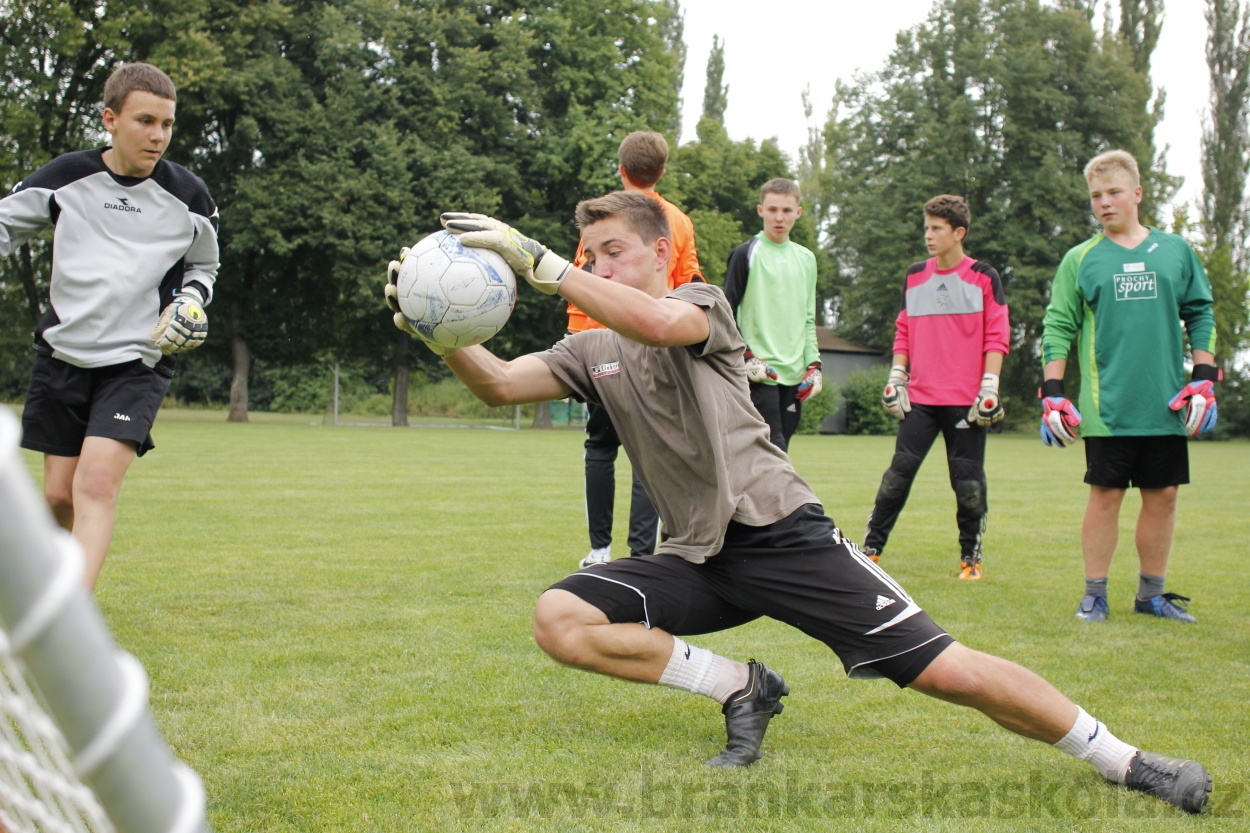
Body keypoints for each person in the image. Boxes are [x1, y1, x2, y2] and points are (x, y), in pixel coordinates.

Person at [381, 192, 1212, 814]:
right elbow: (495, 382)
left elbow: (656, 323)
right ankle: (744, 685)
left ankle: (1125, 758)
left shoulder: (700, 304)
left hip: (784, 536)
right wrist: (438, 327)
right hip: (699, 556)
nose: (594, 266)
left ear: (663, 252)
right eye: (586, 256)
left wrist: (541, 263)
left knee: (948, 672)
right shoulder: (586, 348)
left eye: (610, 252)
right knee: (560, 617)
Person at [0, 63, 219, 590]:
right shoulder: (65, 178)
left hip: (136, 362)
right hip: (63, 355)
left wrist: (191, 301)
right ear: (110, 119)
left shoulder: (190, 198)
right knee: (57, 497)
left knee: (95, 484)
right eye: (145, 121)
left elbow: (204, 266)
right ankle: (51, 592)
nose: (158, 136)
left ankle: (71, 622)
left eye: (167, 124)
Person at [1040, 150, 1218, 624]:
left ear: (1137, 193)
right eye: (1096, 196)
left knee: (1163, 495)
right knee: (1106, 495)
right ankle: (1095, 594)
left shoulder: (1176, 251)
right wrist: (1052, 390)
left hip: (1165, 404)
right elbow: (1058, 326)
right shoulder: (1081, 259)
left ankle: (1152, 596)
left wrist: (1204, 379)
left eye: (1114, 192)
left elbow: (1201, 313)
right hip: (1106, 406)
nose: (1105, 203)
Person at [565, 131, 703, 569]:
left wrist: (575, 341)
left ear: (621, 170)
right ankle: (643, 553)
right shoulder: (677, 220)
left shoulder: (601, 219)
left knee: (600, 448)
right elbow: (691, 282)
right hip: (657, 349)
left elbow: (581, 283)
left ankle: (600, 549)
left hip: (601, 348)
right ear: (661, 173)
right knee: (654, 450)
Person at [862, 195, 1010, 581]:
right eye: (926, 227)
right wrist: (897, 376)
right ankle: (870, 552)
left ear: (958, 233)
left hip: (967, 402)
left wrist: (989, 385)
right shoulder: (915, 275)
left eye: (936, 228)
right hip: (921, 400)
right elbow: (904, 331)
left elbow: (997, 336)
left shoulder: (983, 276)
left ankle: (970, 560)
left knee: (967, 483)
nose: (928, 235)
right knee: (897, 475)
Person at [723, 178, 822, 453]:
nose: (779, 217)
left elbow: (808, 318)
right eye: (773, 209)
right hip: (759, 375)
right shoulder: (745, 253)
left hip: (794, 376)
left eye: (787, 210)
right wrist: (746, 356)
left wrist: (814, 364)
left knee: (776, 453)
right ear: (760, 210)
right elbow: (725, 314)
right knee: (773, 452)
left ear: (798, 213)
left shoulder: (806, 259)